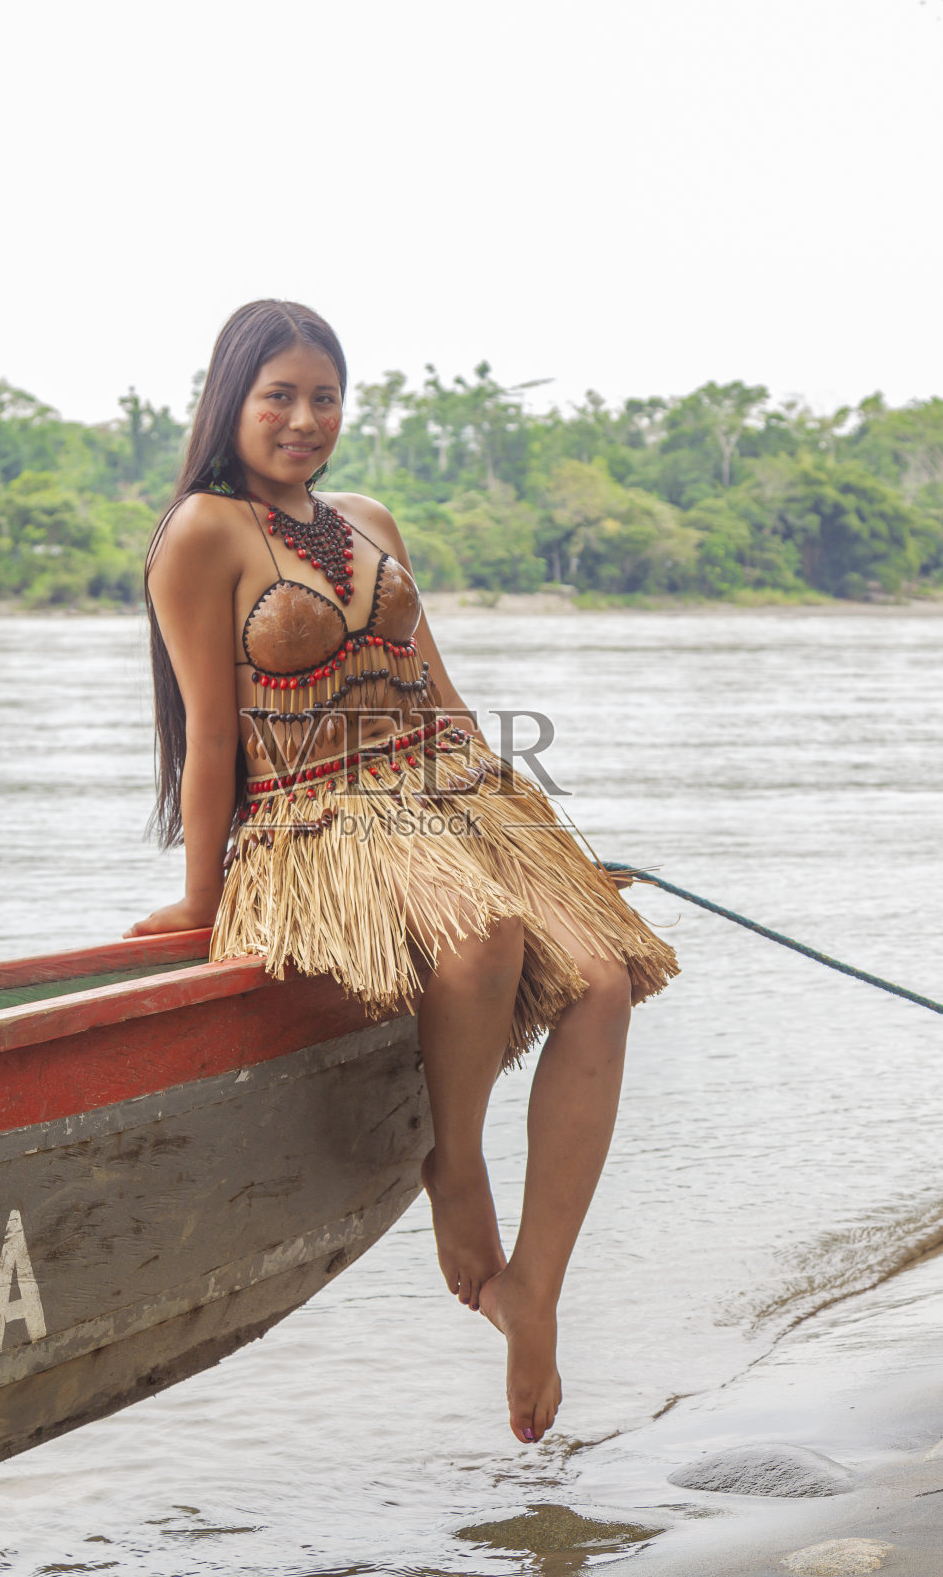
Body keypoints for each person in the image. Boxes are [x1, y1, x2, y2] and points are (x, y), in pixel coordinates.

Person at [126, 299, 678, 1445]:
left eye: (323, 396)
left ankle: (535, 1288)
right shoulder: (202, 533)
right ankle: (455, 1174)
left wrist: (557, 857)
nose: (303, 417)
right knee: (482, 937)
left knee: (606, 979)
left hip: (453, 801)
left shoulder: (367, 516)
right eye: (278, 393)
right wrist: (195, 902)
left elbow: (440, 695)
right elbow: (212, 736)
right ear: (230, 398)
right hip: (314, 823)